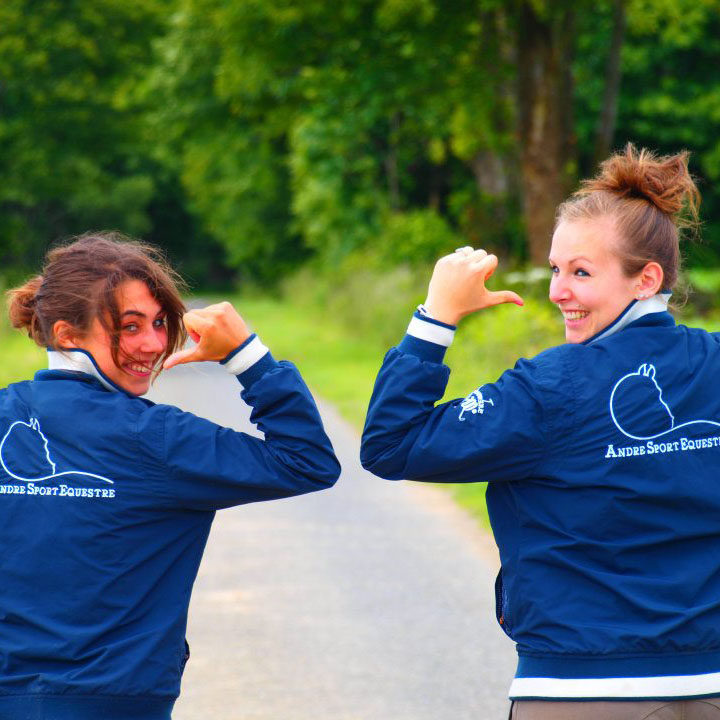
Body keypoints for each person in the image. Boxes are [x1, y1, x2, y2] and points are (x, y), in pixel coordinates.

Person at [360, 145, 720, 719]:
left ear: (645, 278)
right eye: (555, 269)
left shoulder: (549, 387)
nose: (557, 291)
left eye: (581, 272)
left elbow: (391, 443)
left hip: (582, 691)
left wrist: (435, 317)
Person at [0, 232, 340, 720]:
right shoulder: (155, 437)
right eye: (130, 327)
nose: (155, 344)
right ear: (65, 334)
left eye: (160, 323)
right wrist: (246, 356)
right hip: (116, 703)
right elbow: (307, 460)